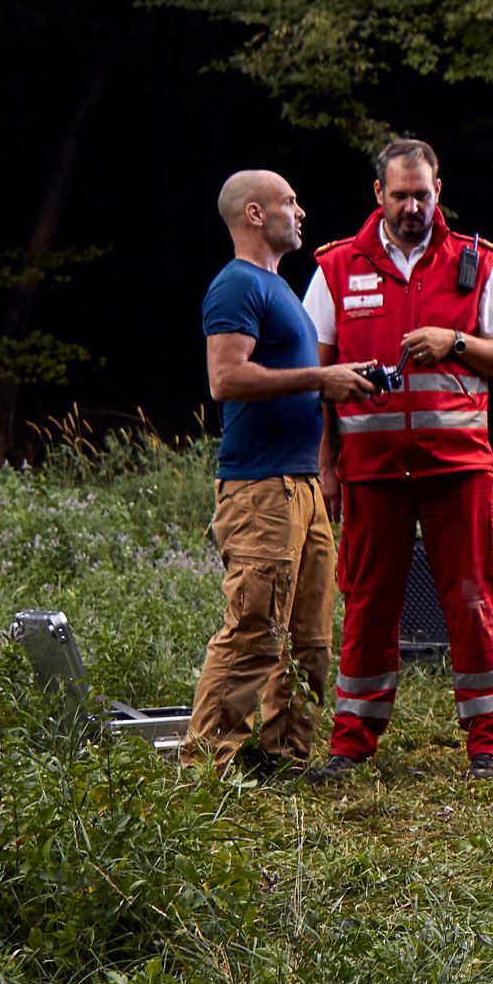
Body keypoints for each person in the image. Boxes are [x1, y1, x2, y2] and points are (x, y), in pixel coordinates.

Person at [301, 137, 493, 780]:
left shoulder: (475, 263)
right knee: (368, 603)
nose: (411, 207)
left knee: (473, 598)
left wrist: (455, 342)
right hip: (371, 473)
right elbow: (315, 378)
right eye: (399, 195)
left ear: (438, 191)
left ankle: (489, 743)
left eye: (421, 195)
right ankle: (350, 745)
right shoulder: (336, 268)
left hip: (457, 467)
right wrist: (327, 464)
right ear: (378, 195)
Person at [192, 170, 375, 771]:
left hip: (301, 486)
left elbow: (290, 379)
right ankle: (204, 770)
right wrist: (322, 377)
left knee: (309, 640)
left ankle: (286, 759)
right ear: (254, 215)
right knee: (253, 631)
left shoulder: (279, 291)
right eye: (289, 203)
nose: (301, 212)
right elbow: (226, 378)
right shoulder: (234, 286)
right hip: (260, 488)